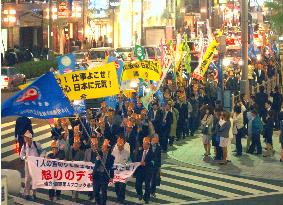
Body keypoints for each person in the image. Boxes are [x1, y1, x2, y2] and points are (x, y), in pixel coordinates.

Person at [20, 130, 46, 200]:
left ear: (29, 138)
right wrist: (24, 157)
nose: (24, 138)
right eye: (24, 137)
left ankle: (34, 194)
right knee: (27, 179)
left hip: (35, 165)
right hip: (28, 164)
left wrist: (40, 157)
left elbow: (43, 151)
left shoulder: (36, 144)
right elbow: (21, 154)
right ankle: (27, 193)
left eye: (25, 137)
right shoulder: (24, 145)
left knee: (35, 179)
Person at [93, 139, 115, 205]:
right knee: (96, 192)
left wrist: (111, 176)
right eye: (102, 146)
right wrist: (97, 159)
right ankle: (98, 202)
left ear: (108, 148)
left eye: (104, 146)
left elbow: (112, 167)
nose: (102, 148)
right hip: (97, 175)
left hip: (104, 176)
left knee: (103, 192)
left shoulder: (111, 157)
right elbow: (95, 163)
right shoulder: (99, 153)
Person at [65, 135, 85, 201]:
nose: (75, 145)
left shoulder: (82, 153)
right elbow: (66, 158)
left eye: (77, 144)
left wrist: (76, 162)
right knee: (71, 183)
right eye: (74, 144)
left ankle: (76, 196)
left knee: (76, 184)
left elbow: (82, 162)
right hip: (70, 170)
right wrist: (66, 160)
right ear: (73, 144)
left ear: (79, 145)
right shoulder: (69, 150)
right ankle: (73, 193)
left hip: (77, 171)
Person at [134, 137, 153, 204]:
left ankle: (146, 198)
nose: (144, 145)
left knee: (147, 186)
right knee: (137, 185)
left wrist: (146, 163)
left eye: (146, 144)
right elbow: (136, 159)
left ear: (149, 145)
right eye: (143, 144)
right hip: (140, 171)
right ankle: (140, 194)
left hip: (148, 171)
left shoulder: (151, 152)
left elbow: (153, 162)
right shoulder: (140, 151)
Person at [112, 137, 130, 204]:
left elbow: (129, 161)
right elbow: (111, 160)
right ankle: (118, 196)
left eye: (121, 145)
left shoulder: (127, 152)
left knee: (122, 186)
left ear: (123, 144)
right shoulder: (114, 151)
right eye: (118, 145)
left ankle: (122, 198)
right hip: (116, 173)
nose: (119, 146)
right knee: (117, 186)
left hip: (123, 173)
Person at [84, 137, 99, 201]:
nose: (93, 146)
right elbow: (85, 160)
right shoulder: (87, 151)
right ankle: (90, 195)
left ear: (97, 145)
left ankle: (95, 195)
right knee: (89, 183)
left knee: (96, 184)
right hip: (89, 171)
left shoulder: (100, 152)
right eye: (92, 144)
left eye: (95, 145)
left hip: (97, 171)